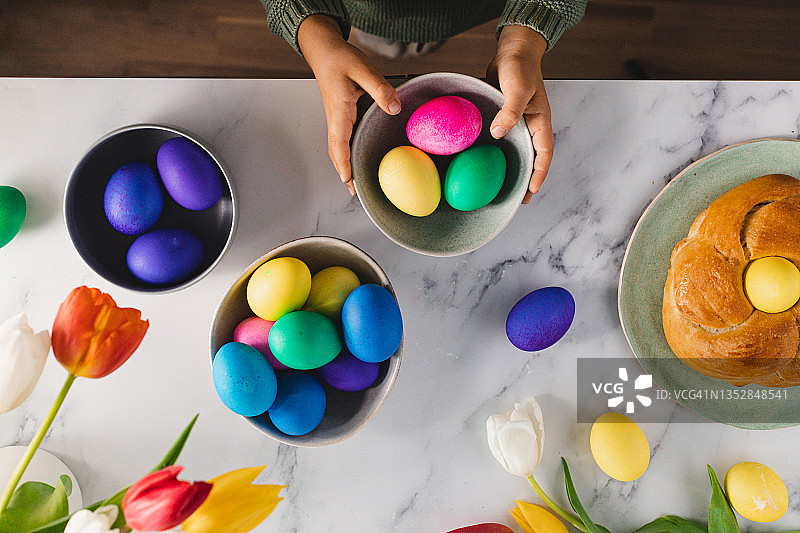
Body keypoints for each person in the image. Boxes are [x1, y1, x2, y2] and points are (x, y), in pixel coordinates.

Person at [260, 1, 587, 204]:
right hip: (371, 13)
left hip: (475, 9)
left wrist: (525, 38)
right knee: (386, 42)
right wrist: (316, 33)